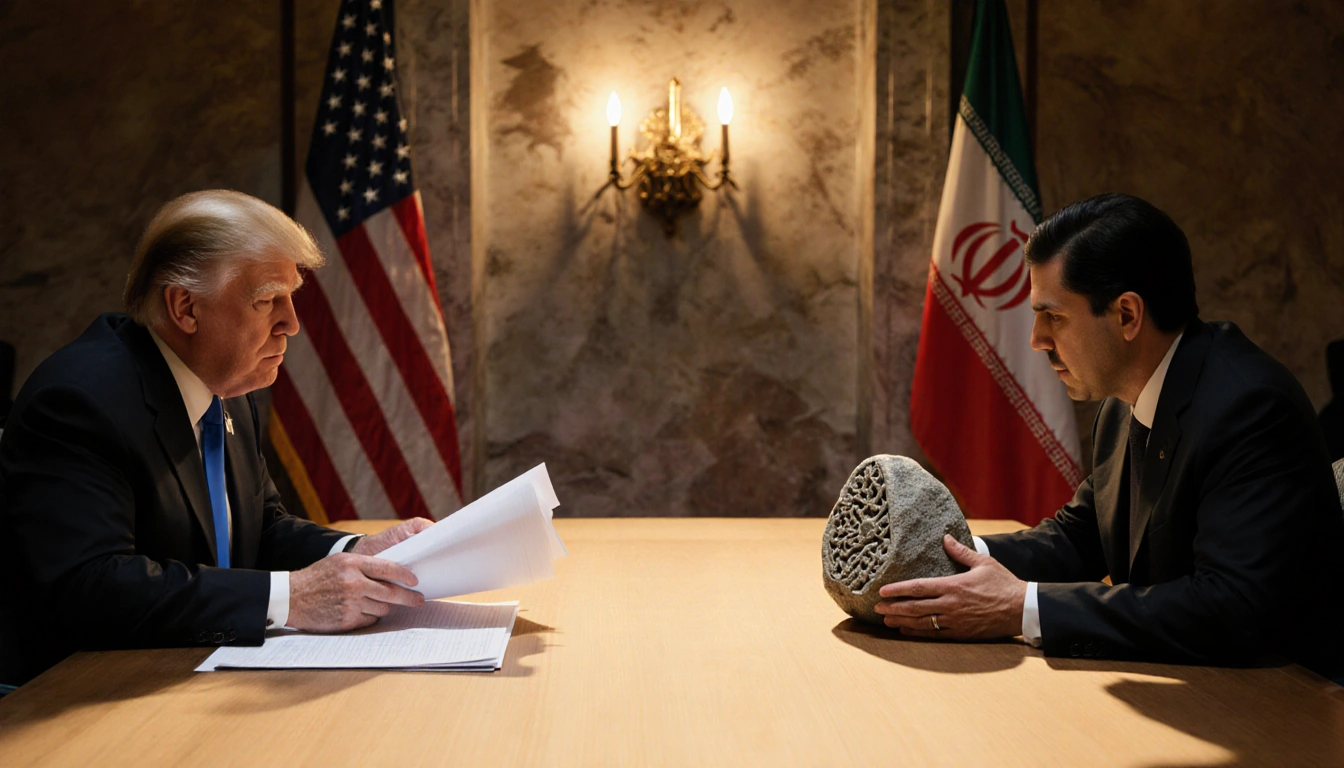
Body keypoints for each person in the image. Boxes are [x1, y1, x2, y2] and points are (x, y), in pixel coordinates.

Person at [877, 194, 1344, 678]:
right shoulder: (1125, 402)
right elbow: (1080, 539)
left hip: (1291, 697)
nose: (1037, 339)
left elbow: (1228, 608)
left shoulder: (1249, 407)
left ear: (1127, 315)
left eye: (1054, 317)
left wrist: (1021, 608)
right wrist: (953, 555)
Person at [0, 190, 432, 686]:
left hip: (192, 671)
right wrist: (292, 598)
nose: (292, 323)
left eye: (291, 297)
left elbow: (261, 530)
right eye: (267, 300)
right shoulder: (79, 401)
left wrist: (359, 551)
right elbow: (93, 586)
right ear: (185, 307)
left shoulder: (222, 385)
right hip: (76, 693)